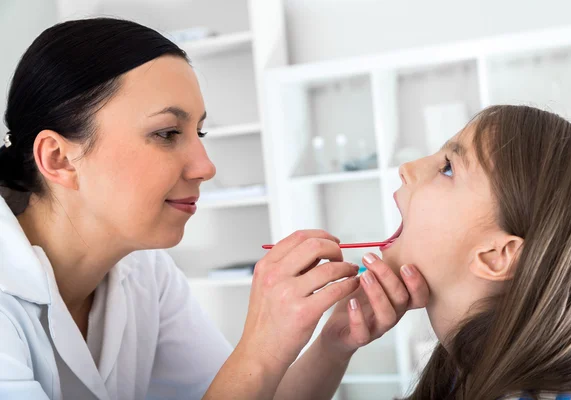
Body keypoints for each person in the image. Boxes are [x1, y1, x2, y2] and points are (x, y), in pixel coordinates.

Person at [0, 18, 429, 400]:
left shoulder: (147, 274)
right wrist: (260, 348)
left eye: (199, 131)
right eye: (167, 133)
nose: (206, 167)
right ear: (57, 158)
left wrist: (333, 344)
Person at [383, 105, 571, 399]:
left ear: (497, 256)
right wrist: (332, 349)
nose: (406, 169)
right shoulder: (464, 370)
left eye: (448, 168)